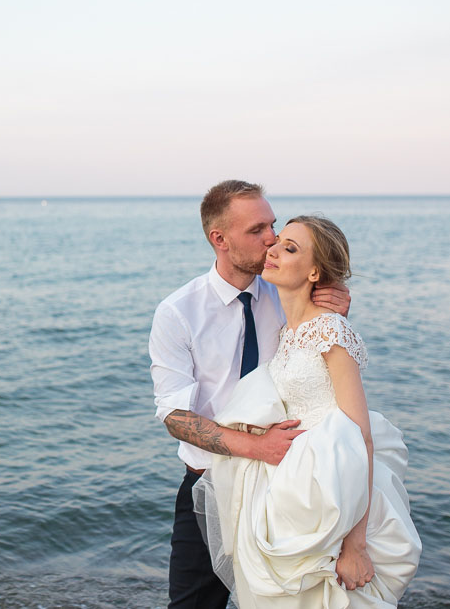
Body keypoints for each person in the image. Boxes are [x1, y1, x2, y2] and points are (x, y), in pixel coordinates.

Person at [192, 215, 422, 607]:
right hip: (290, 490)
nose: (274, 249)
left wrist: (355, 543)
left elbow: (361, 436)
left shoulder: (331, 331)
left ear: (315, 271)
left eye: (291, 248)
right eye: (277, 241)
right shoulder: (287, 333)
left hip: (334, 488)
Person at [149, 181, 350, 608]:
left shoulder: (291, 294)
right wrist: (259, 447)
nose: (272, 239)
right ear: (219, 240)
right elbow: (174, 416)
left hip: (285, 486)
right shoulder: (177, 313)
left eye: (273, 225)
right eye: (257, 229)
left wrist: (335, 309)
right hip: (210, 488)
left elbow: (323, 369)